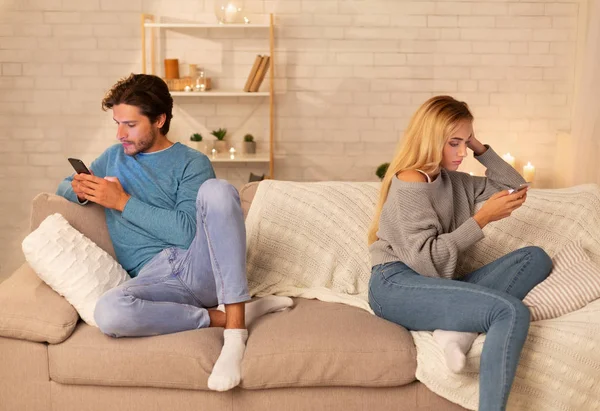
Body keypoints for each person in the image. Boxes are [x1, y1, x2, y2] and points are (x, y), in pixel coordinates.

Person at [56, 73, 292, 392]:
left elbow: (186, 233)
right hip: (154, 279)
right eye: (117, 123)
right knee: (108, 312)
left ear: (159, 120)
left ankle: (235, 334)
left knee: (218, 190)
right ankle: (220, 317)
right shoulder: (112, 158)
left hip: (198, 267)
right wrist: (84, 190)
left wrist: (122, 201)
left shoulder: (191, 162)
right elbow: (61, 187)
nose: (119, 133)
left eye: (130, 124)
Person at [367, 96, 552, 411]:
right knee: (509, 311)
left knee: (535, 258)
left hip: (435, 281)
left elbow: (515, 185)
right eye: (454, 142)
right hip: (395, 284)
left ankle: (455, 326)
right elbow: (427, 261)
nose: (463, 152)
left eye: (467, 143)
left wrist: (479, 144)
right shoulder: (410, 181)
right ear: (430, 140)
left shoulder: (454, 182)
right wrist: (482, 219)